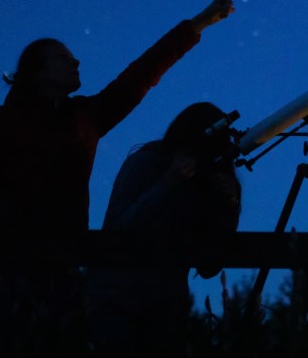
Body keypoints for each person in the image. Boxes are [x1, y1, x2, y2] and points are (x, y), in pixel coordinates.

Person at [0, 0, 237, 354]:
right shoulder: (0, 122)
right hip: (9, 270)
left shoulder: (83, 118)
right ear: (37, 72)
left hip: (65, 272)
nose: (76, 61)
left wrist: (198, 23)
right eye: (64, 58)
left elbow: (137, 77)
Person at [89, 101, 243, 355]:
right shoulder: (145, 163)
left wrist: (227, 205)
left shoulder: (212, 180)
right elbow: (118, 230)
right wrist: (170, 181)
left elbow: (209, 266)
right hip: (113, 301)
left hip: (166, 309)